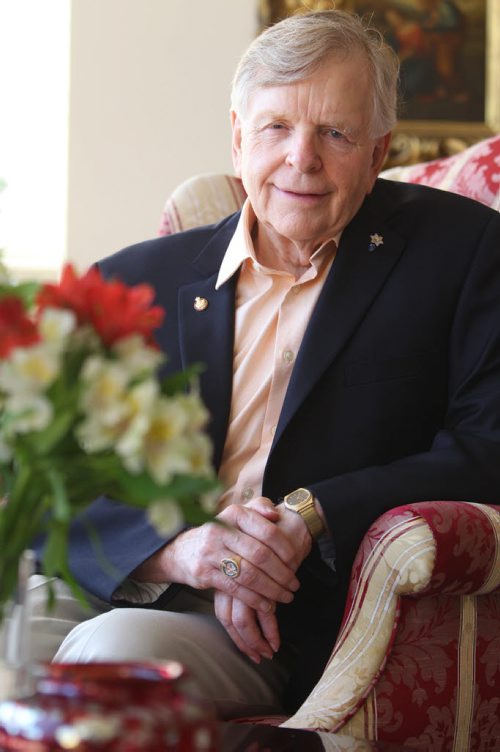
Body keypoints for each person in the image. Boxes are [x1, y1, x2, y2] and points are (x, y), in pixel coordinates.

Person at [32, 9, 500, 719]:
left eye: (335, 134)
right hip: (122, 571)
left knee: (110, 660)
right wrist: (176, 552)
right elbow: (46, 476)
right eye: (277, 127)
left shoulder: (463, 255)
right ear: (239, 135)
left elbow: (486, 448)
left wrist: (311, 515)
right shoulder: (132, 282)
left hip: (276, 622)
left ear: (378, 153)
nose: (301, 159)